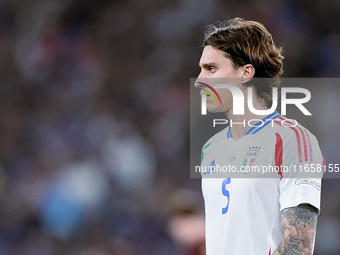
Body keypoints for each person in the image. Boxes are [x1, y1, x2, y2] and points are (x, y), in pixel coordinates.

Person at [195, 17, 324, 254]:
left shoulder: (292, 139)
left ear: (245, 73)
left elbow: (300, 245)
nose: (199, 81)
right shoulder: (210, 148)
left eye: (211, 69)